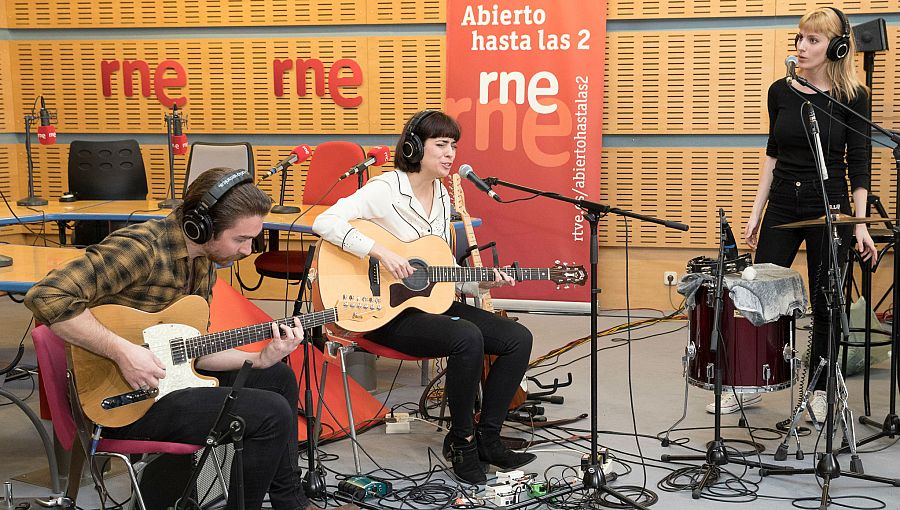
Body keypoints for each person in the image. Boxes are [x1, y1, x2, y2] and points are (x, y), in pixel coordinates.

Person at [25, 167, 356, 510]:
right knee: (269, 413)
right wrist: (123, 352)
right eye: (240, 239)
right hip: (122, 402)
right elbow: (47, 295)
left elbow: (193, 351)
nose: (247, 250)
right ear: (202, 226)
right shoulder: (141, 248)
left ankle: (291, 503)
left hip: (169, 384)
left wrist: (259, 359)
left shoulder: (203, 262)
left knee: (277, 377)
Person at [312, 110, 535, 485]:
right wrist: (379, 251)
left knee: (517, 337)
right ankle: (462, 442)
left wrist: (480, 283)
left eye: (454, 146)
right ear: (414, 147)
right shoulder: (386, 189)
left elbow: (441, 269)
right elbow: (325, 222)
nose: (450, 154)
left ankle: (488, 437)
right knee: (467, 336)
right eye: (441, 144)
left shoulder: (443, 197)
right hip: (383, 312)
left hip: (428, 304)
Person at [708, 7, 878, 419]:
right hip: (784, 201)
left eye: (813, 40)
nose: (801, 46)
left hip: (830, 203)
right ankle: (750, 381)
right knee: (759, 293)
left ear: (837, 48)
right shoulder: (780, 91)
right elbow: (773, 154)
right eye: (799, 38)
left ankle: (819, 388)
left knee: (826, 300)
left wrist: (860, 226)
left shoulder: (853, 97)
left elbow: (859, 163)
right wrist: (756, 211)